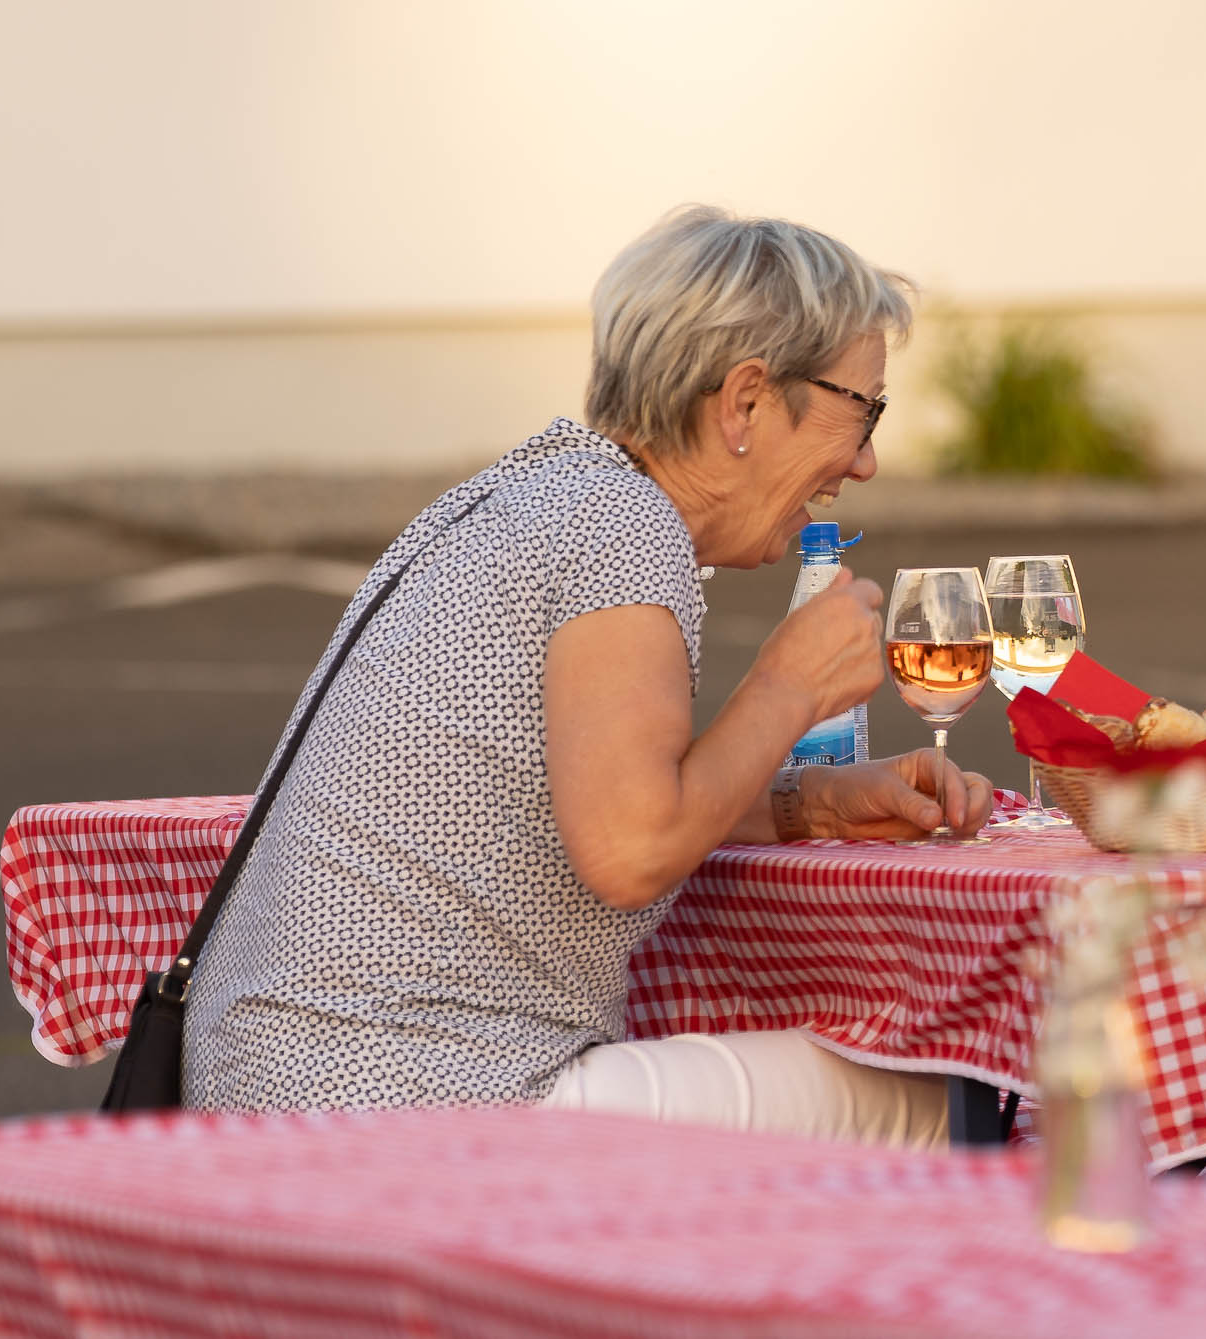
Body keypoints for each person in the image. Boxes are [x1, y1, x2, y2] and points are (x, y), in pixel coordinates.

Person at [185, 206, 990, 1141]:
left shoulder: (523, 495)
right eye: (863, 409)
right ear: (745, 400)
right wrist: (789, 682)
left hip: (275, 1085)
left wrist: (811, 804)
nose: (867, 460)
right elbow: (630, 848)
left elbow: (588, 783)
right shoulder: (625, 529)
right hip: (421, 1097)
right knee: (936, 1099)